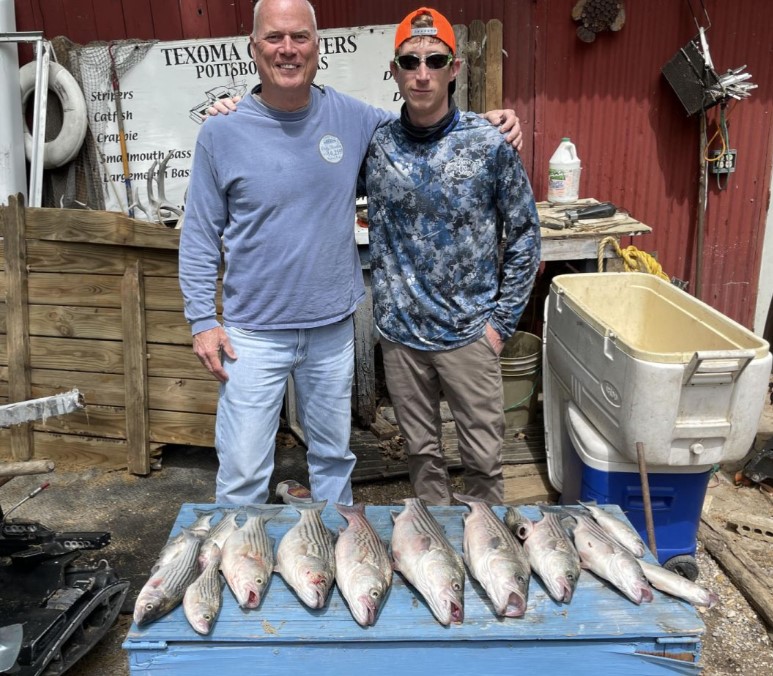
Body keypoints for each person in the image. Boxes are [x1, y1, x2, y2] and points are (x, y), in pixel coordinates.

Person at [181, 0, 523, 507]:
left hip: (332, 329)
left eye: (300, 37)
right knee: (242, 473)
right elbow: (199, 233)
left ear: (318, 49)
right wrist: (201, 319)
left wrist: (488, 122)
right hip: (252, 335)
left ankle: (337, 563)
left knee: (333, 462)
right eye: (274, 38)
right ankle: (239, 578)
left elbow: (426, 122)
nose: (288, 49)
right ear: (253, 49)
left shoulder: (355, 119)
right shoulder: (221, 132)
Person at [363, 7, 541, 505]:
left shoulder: (488, 143)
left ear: (454, 68)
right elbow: (310, 141)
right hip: (401, 338)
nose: (423, 73)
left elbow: (526, 233)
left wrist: (500, 325)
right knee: (421, 455)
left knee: (484, 460)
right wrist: (244, 103)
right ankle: (435, 555)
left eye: (435, 60)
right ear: (395, 69)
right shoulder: (377, 146)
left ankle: (489, 563)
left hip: (470, 335)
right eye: (411, 61)